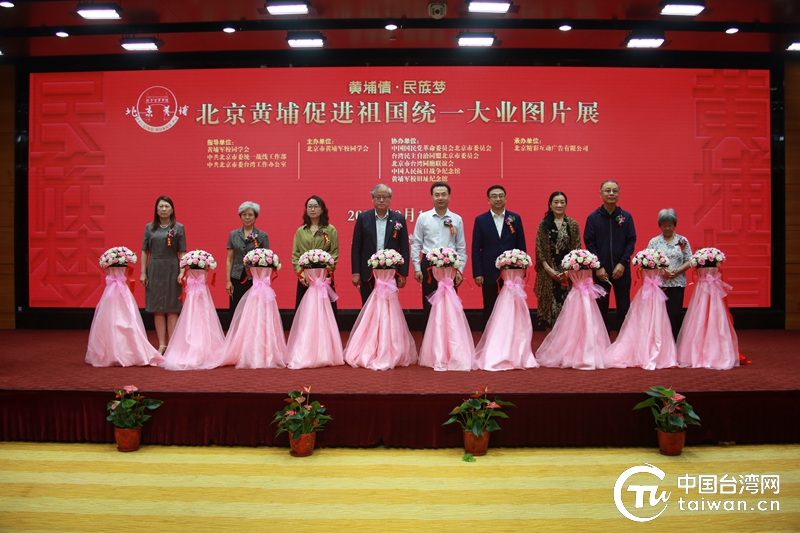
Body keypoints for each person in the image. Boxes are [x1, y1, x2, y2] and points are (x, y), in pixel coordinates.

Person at [411, 182, 467, 328]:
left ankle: (450, 337)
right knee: (429, 303)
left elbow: (461, 246)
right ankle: (429, 339)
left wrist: (460, 270)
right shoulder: (423, 217)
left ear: (449, 197)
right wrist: (417, 268)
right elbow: (416, 243)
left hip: (450, 266)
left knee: (450, 303)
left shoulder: (457, 219)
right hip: (429, 265)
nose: (440, 198)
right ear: (432, 197)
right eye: (437, 195)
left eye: (443, 194)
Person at [471, 184, 527, 328]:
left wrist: (522, 270)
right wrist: (478, 273)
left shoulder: (515, 218)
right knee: (490, 307)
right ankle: (488, 339)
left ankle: (511, 337)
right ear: (488, 200)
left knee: (511, 307)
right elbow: (476, 248)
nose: (498, 199)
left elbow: (521, 245)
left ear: (506, 199)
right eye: (494, 196)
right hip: (489, 272)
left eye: (501, 196)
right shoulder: (481, 220)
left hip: (511, 273)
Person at [584, 180, 636, 332]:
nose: (611, 193)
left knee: (623, 306)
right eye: (607, 190)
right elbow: (590, 243)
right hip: (601, 271)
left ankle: (624, 340)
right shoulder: (593, 218)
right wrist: (598, 266)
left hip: (622, 270)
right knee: (601, 308)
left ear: (619, 193)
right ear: (600, 194)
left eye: (614, 191)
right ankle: (602, 340)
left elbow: (631, 241)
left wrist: (623, 263)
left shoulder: (626, 216)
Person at [140, 196, 186, 355]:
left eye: (167, 206)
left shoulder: (179, 228)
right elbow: (144, 251)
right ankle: (162, 344)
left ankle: (173, 344)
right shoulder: (149, 228)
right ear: (156, 209)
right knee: (157, 308)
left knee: (172, 308)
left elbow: (182, 252)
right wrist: (143, 272)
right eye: (161, 206)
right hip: (154, 267)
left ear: (172, 209)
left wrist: (182, 271)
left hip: (172, 267)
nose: (164, 209)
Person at [351, 184, 409, 305]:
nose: (381, 200)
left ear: (390, 199)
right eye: (378, 197)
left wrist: (403, 274)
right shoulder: (363, 218)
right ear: (372, 199)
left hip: (391, 272)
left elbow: (404, 248)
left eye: (385, 197)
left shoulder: (399, 218)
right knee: (368, 305)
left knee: (388, 306)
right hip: (367, 271)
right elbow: (356, 246)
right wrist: (356, 272)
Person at [534, 191, 581, 330]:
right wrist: (548, 269)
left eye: (562, 202)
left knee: (566, 307)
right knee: (549, 309)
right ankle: (550, 342)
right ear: (550, 204)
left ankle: (565, 341)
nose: (559, 205)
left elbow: (577, 248)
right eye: (556, 202)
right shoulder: (544, 224)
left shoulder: (572, 224)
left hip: (567, 271)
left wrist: (568, 271)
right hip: (548, 270)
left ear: (566, 204)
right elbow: (539, 249)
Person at [646, 208, 693, 339]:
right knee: (660, 314)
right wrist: (662, 271)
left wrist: (678, 271)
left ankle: (675, 342)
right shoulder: (654, 242)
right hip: (659, 284)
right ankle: (660, 342)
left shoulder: (682, 241)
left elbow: (690, 260)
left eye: (670, 225)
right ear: (660, 226)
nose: (667, 228)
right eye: (664, 225)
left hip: (677, 283)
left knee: (675, 313)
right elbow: (649, 261)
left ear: (675, 225)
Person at [291, 195, 339, 312]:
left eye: (316, 206)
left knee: (326, 310)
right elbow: (295, 254)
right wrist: (301, 275)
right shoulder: (300, 231)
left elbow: (334, 252)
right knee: (305, 311)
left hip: (324, 276)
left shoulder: (330, 229)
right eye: (310, 207)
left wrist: (326, 271)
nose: (312, 209)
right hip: (305, 278)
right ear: (306, 210)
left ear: (322, 210)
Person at [226, 201, 269, 314]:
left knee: (253, 309)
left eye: (250, 215)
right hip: (236, 276)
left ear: (255, 217)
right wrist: (228, 281)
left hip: (255, 278)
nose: (247, 217)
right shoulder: (233, 235)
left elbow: (267, 259)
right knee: (236, 308)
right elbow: (230, 259)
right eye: (244, 215)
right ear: (240, 216)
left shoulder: (262, 235)